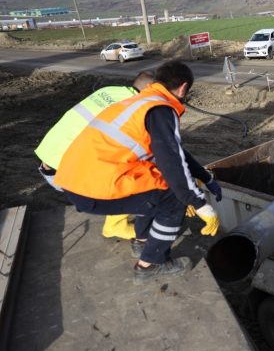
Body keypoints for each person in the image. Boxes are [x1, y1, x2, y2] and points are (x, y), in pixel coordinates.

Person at [54, 61, 222, 285]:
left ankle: (142, 241)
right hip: (94, 187)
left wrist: (205, 176)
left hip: (75, 181)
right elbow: (171, 162)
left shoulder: (141, 101)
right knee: (173, 198)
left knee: (153, 187)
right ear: (182, 88)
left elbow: (175, 151)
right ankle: (150, 264)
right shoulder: (162, 109)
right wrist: (199, 202)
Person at [35, 71, 155, 240]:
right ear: (150, 89)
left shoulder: (109, 91)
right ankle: (116, 227)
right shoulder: (133, 107)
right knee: (136, 177)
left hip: (48, 158)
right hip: (67, 171)